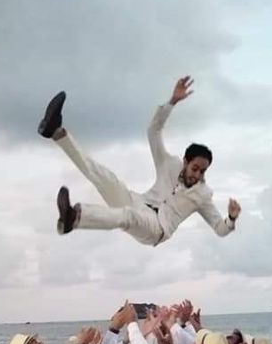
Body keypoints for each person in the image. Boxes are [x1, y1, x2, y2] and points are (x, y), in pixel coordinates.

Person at [37, 76, 242, 246]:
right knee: (104, 177)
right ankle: (55, 131)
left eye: (202, 172)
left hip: (157, 228)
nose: (197, 175)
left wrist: (231, 219)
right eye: (195, 168)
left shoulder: (203, 195)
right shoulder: (169, 163)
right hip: (138, 202)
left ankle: (74, 218)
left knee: (127, 216)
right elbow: (154, 131)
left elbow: (220, 229)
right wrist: (172, 102)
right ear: (186, 161)